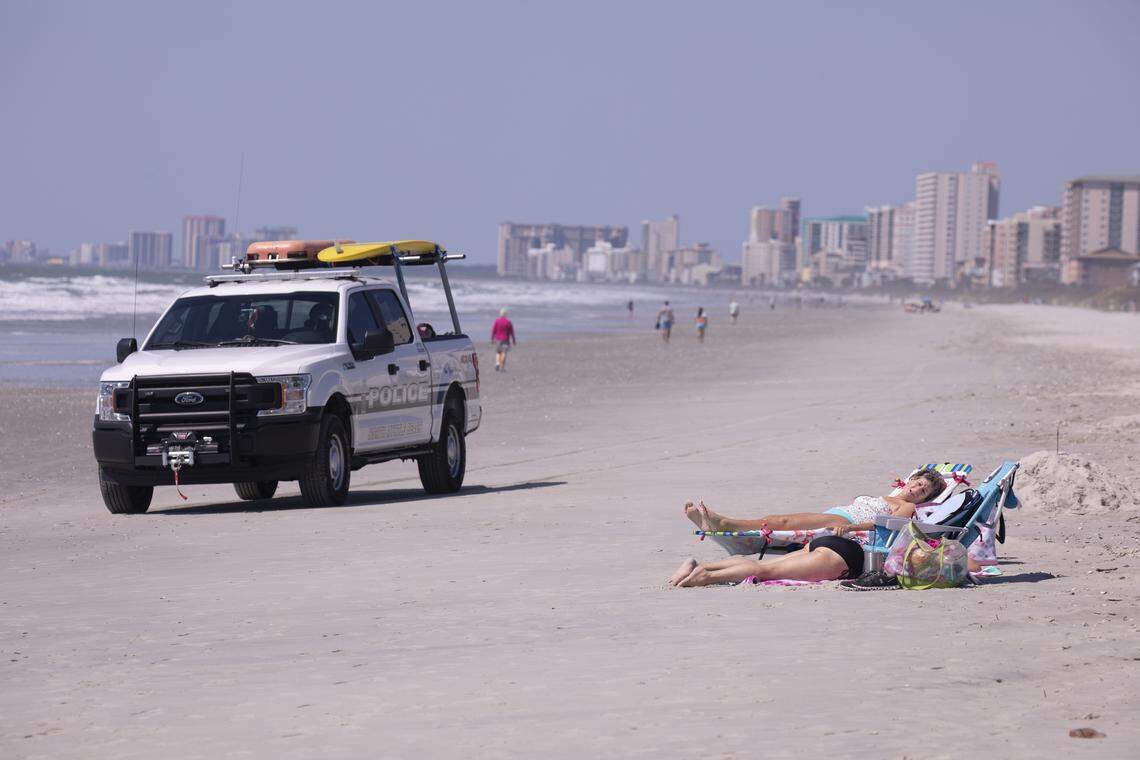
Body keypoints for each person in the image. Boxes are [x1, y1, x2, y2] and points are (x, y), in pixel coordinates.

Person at [683, 469, 946, 535]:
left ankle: (724, 523)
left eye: (923, 491)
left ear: (925, 499)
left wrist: (851, 528)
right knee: (783, 519)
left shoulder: (907, 507)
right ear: (910, 479)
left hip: (847, 521)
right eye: (917, 483)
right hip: (839, 512)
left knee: (782, 521)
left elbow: (887, 524)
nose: (917, 490)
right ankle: (718, 523)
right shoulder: (888, 495)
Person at [670, 536, 864, 587]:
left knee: (765, 566)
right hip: (843, 558)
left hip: (833, 544)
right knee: (765, 572)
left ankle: (702, 566)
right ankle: (707, 576)